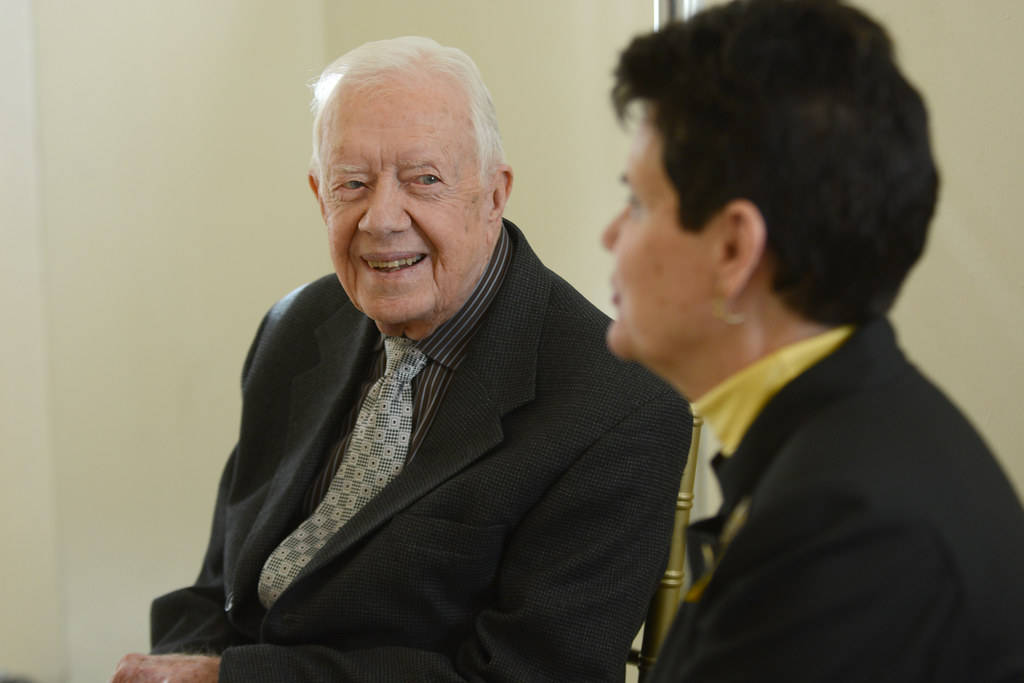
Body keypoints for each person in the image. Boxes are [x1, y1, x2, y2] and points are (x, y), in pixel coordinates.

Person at [112, 37, 691, 682]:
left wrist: (231, 680)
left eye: (425, 180)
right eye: (351, 184)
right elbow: (220, 585)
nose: (381, 219)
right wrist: (172, 671)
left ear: (494, 194)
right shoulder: (296, 326)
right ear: (319, 195)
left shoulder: (617, 409)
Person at [602, 1, 1024, 681]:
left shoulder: (848, 530)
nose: (610, 237)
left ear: (734, 247)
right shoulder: (851, 440)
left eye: (639, 203)